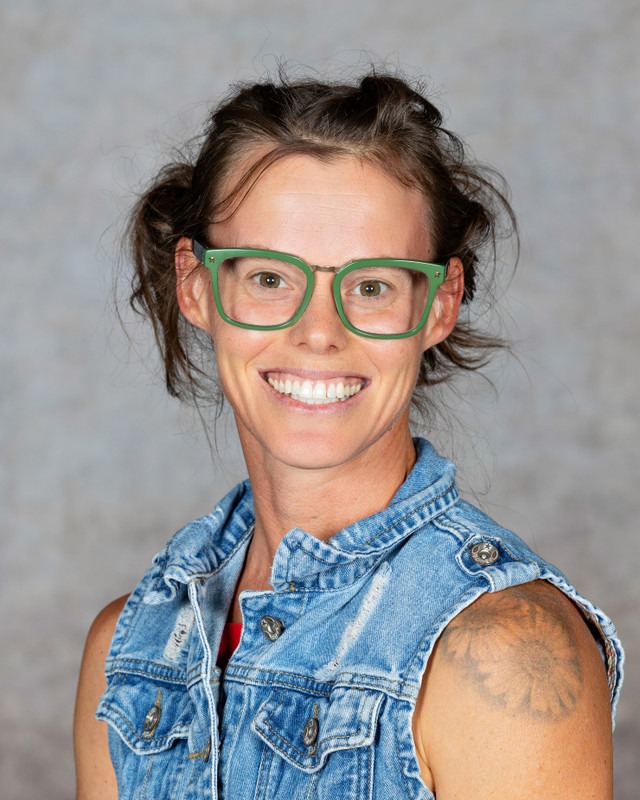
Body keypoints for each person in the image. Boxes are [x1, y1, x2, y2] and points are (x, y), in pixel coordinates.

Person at [73, 69, 623, 800]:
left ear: (439, 303)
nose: (318, 332)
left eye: (371, 286)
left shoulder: (505, 654)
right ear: (197, 286)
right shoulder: (130, 653)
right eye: (269, 278)